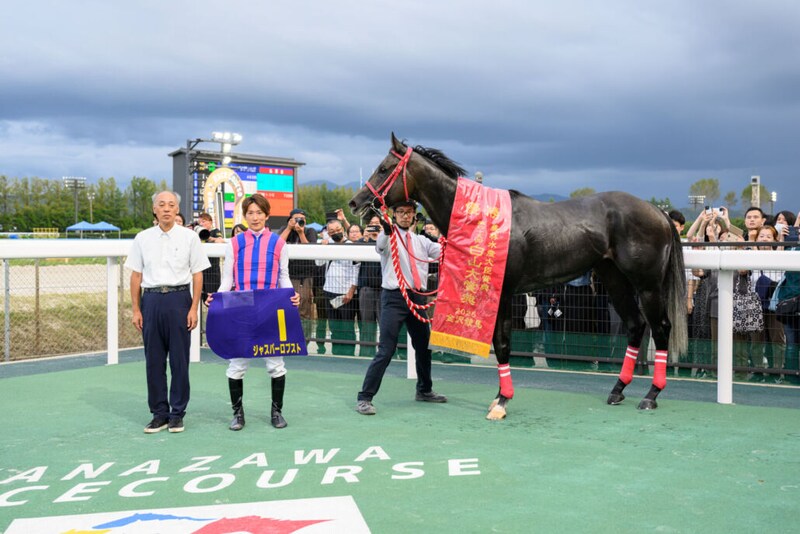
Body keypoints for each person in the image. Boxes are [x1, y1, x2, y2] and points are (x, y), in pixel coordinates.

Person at [207, 194, 300, 430]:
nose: (255, 217)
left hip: (270, 308)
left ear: (267, 215)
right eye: (250, 213)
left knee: (276, 364)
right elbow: (227, 278)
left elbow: (284, 276)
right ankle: (238, 414)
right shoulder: (235, 243)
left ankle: (277, 413)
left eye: (259, 213)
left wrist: (291, 295)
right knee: (237, 364)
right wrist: (217, 298)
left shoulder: (279, 243)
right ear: (245, 216)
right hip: (241, 308)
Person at [125, 191, 210, 434]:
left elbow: (198, 274)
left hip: (179, 300)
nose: (166, 209)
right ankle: (159, 414)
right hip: (150, 300)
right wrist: (136, 309)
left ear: (176, 210)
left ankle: (177, 414)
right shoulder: (142, 238)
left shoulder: (189, 237)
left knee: (180, 361)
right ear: (154, 209)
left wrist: (194, 307)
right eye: (161, 205)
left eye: (171, 205)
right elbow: (136, 275)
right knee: (153, 361)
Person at [356, 200, 446, 415]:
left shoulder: (422, 242)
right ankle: (365, 398)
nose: (405, 216)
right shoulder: (388, 238)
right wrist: (386, 229)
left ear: (415, 216)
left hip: (417, 298)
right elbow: (380, 245)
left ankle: (424, 390)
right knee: (386, 349)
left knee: (424, 347)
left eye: (409, 213)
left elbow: (444, 252)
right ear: (394, 215)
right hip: (394, 298)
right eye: (401, 212)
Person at [315, 219, 360, 355]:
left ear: (343, 229)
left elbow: (356, 269)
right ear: (328, 233)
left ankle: (349, 354)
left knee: (347, 326)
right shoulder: (328, 245)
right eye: (332, 231)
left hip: (346, 294)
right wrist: (323, 247)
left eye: (338, 229)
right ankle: (337, 353)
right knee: (334, 327)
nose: (336, 233)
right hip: (329, 290)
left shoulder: (351, 246)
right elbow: (318, 262)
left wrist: (351, 291)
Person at [279, 208, 318, 338]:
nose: (299, 222)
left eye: (302, 219)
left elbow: (310, 250)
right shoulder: (285, 230)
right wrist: (289, 228)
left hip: (304, 276)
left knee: (303, 308)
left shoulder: (310, 231)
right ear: (289, 220)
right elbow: (277, 245)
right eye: (296, 219)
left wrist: (301, 233)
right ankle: (289, 337)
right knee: (287, 308)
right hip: (287, 275)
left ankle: (304, 339)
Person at [357, 220, 383, 356]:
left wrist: (382, 235)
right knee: (367, 323)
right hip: (366, 289)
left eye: (377, 224)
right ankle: (366, 352)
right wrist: (365, 238)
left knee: (385, 323)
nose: (374, 227)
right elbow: (353, 258)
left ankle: (385, 352)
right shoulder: (363, 241)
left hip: (385, 289)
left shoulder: (386, 240)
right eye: (371, 224)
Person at [197, 213, 224, 301]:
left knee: (212, 297)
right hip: (200, 270)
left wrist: (208, 237)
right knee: (202, 296)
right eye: (199, 222)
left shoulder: (215, 231)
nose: (201, 224)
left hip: (212, 270)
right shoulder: (196, 233)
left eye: (203, 222)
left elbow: (220, 241)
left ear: (210, 222)